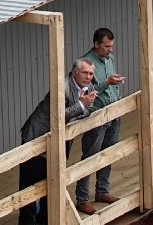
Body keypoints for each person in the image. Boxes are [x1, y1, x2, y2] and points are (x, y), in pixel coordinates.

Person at [19, 58, 97, 225]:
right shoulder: (62, 87)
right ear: (74, 72)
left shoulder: (88, 87)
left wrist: (82, 107)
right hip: (36, 138)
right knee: (30, 183)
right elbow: (59, 115)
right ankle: (26, 221)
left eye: (91, 73)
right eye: (85, 73)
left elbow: (88, 110)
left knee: (52, 182)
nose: (88, 77)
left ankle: (45, 220)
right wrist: (81, 105)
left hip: (57, 143)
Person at [75, 28, 128, 212]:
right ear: (96, 44)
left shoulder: (109, 59)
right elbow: (85, 91)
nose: (110, 50)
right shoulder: (86, 64)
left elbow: (110, 83)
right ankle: (82, 198)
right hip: (96, 117)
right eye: (106, 46)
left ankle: (102, 191)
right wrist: (107, 83)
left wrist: (116, 88)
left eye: (111, 46)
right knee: (90, 156)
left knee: (108, 153)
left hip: (113, 112)